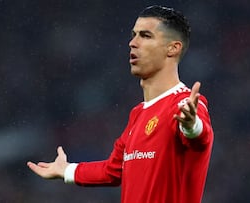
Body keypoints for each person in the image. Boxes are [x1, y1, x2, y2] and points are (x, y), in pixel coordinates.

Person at [27, 5, 214, 203]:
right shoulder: (138, 114)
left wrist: (191, 126)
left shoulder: (185, 104)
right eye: (134, 35)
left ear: (173, 48)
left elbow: (201, 137)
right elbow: (114, 170)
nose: (133, 43)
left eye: (146, 36)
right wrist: (67, 170)